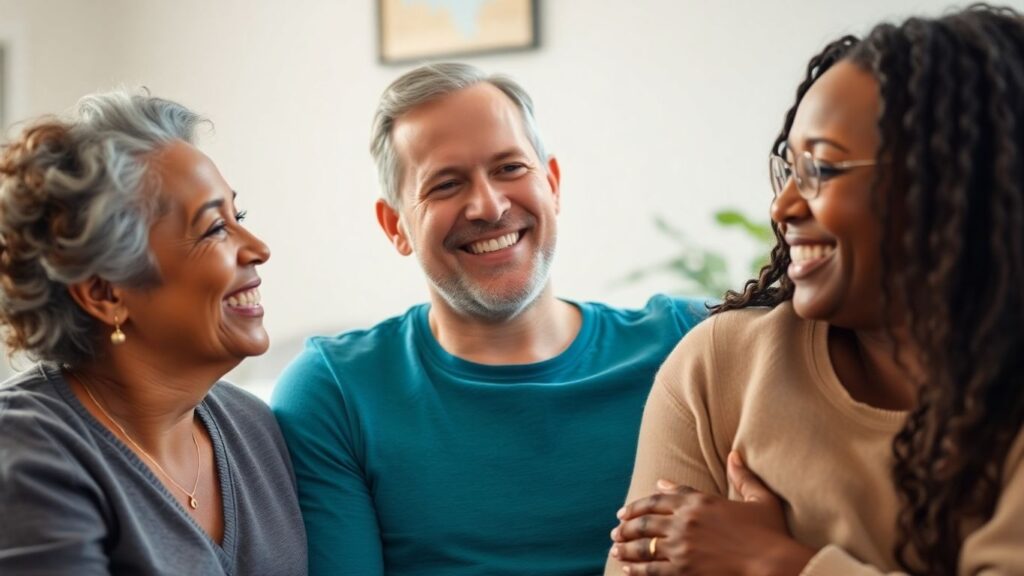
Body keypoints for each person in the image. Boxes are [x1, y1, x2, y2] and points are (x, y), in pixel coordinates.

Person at [606, 5, 1024, 576]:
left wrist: (774, 562)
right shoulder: (720, 368)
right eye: (789, 170)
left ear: (951, 184)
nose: (782, 207)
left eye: (823, 170)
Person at [270, 62, 708, 575]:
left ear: (554, 183)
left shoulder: (690, 343)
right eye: (446, 184)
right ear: (396, 226)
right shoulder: (337, 393)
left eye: (509, 168)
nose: (488, 205)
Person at [0, 90, 306, 574]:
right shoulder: (26, 450)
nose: (258, 248)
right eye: (213, 230)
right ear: (105, 293)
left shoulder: (254, 428)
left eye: (238, 217)